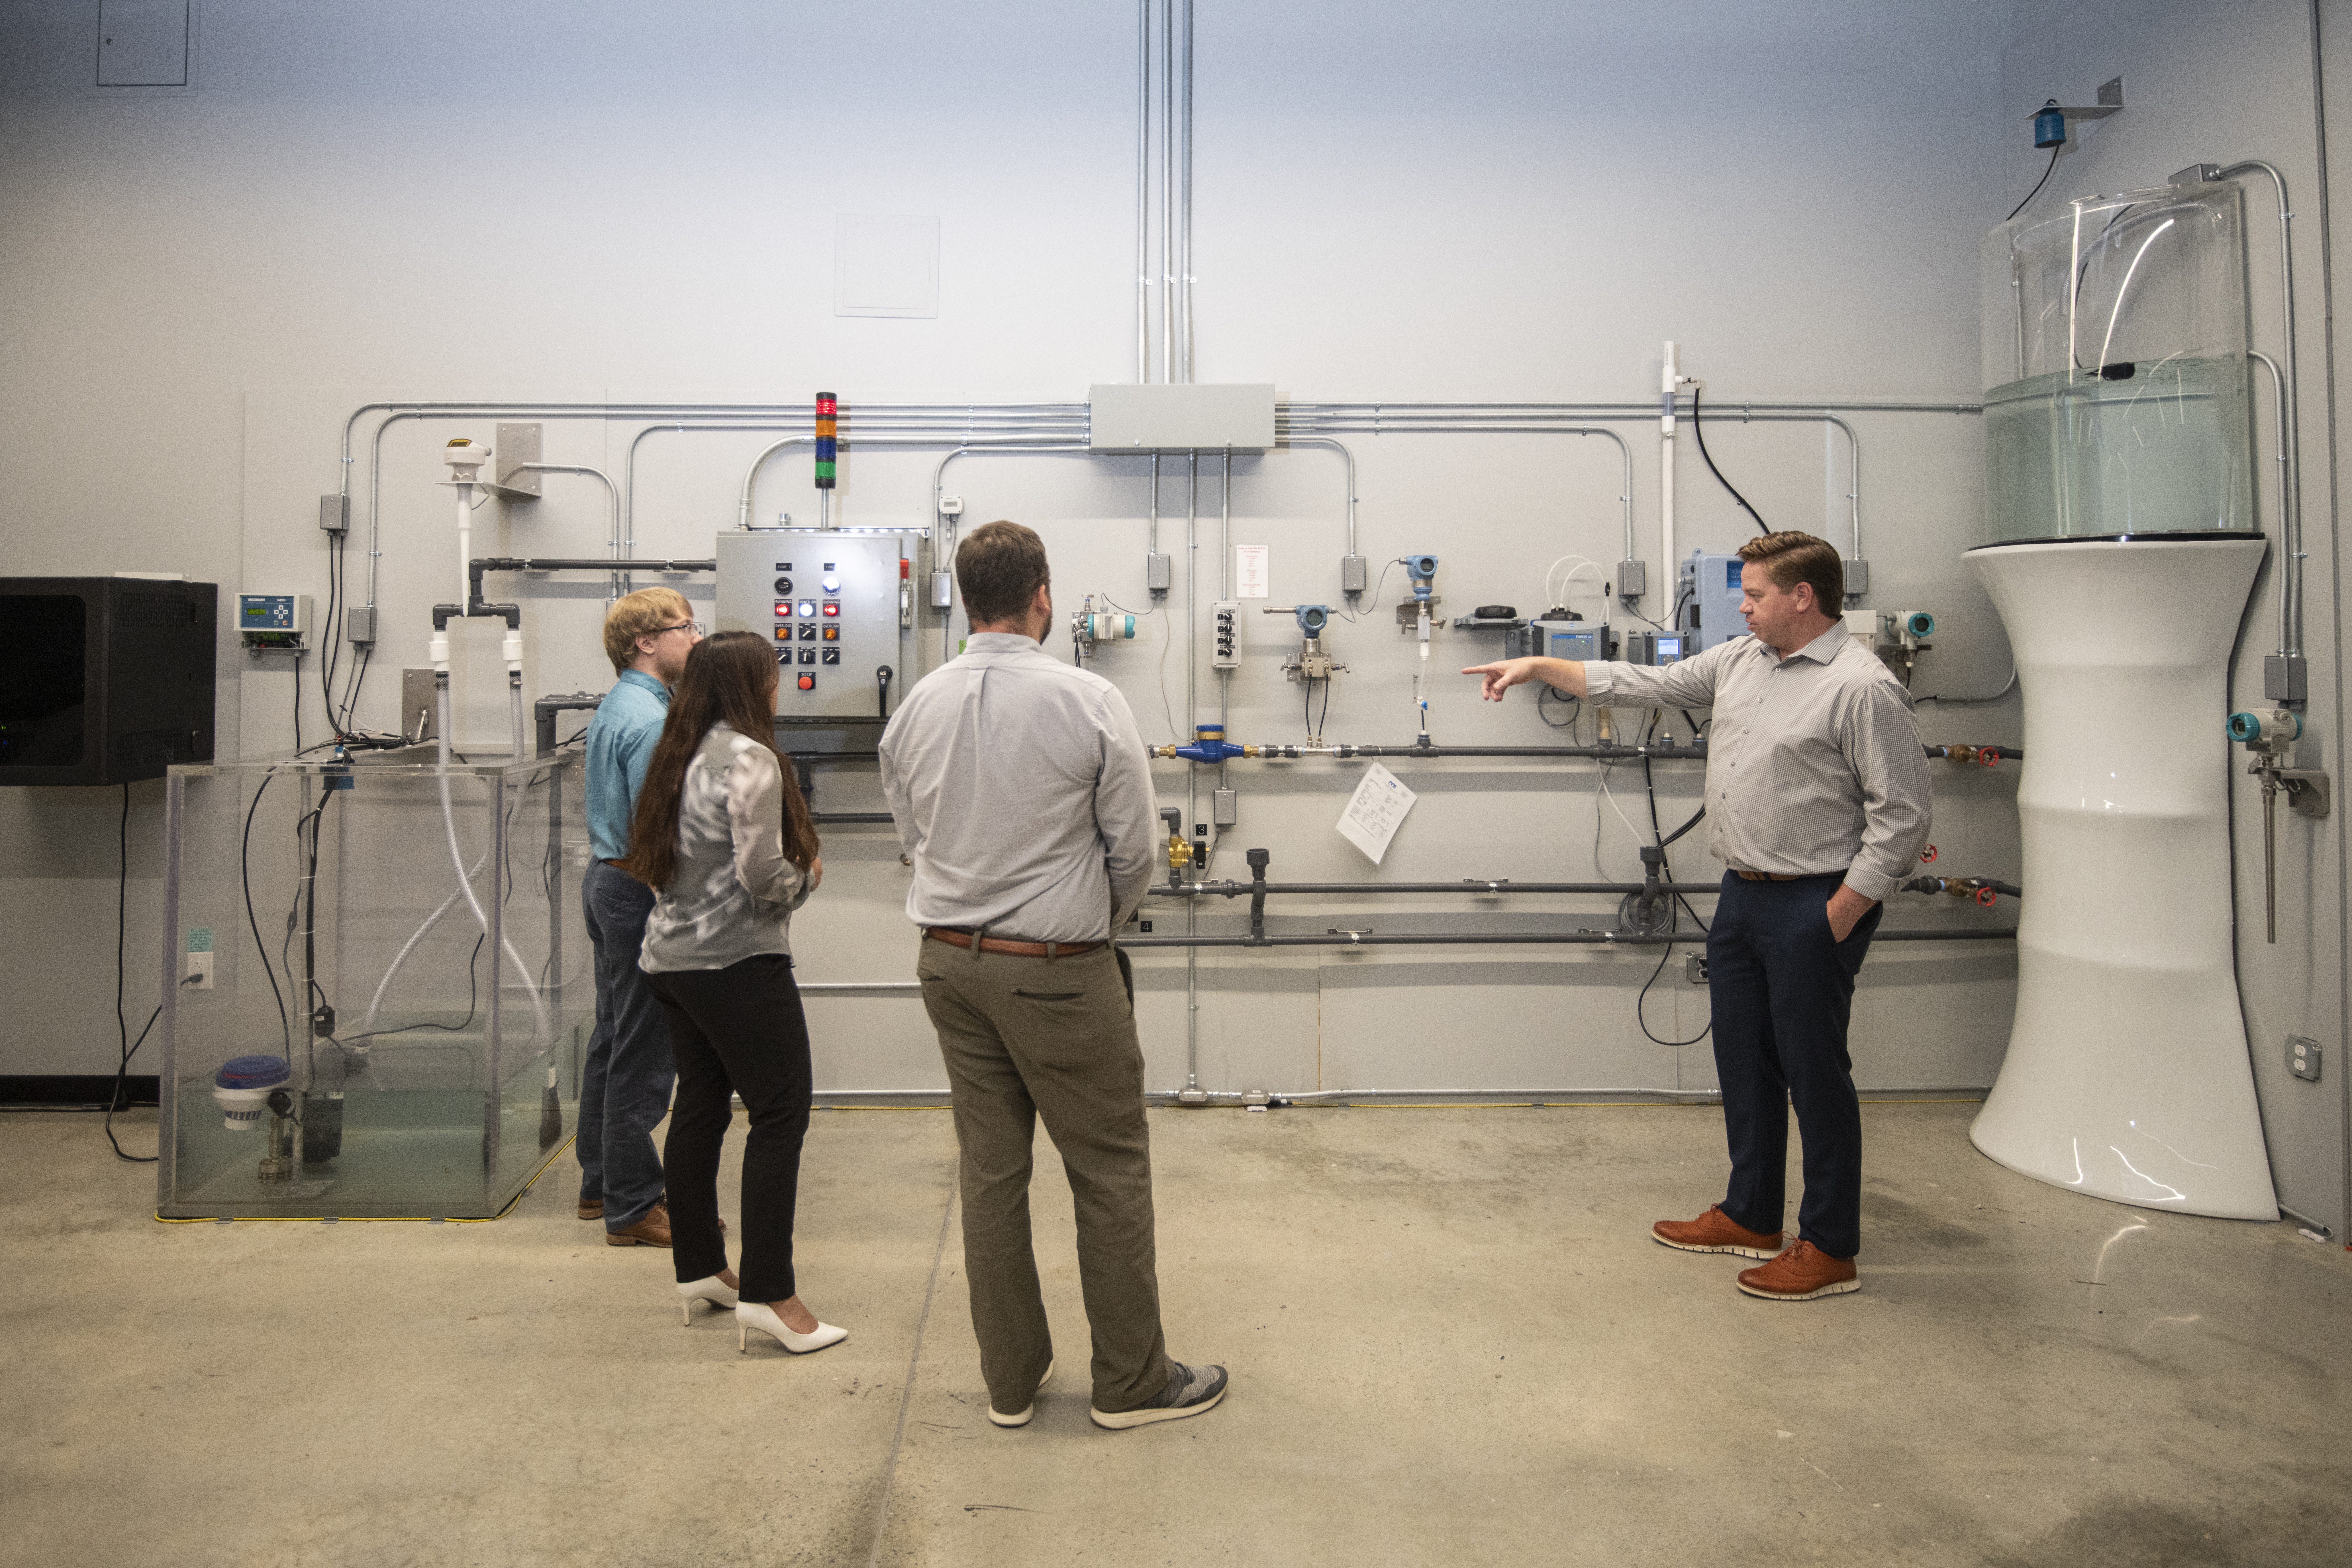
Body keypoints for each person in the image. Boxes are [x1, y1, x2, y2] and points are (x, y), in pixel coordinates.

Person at [1464, 530, 1931, 1301]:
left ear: (1802, 598)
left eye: (1753, 596)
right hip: (1742, 892)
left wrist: (1841, 914)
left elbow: (1904, 818)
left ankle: (1831, 1246)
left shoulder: (1860, 687)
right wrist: (1541, 665)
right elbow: (1643, 683)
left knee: (1816, 1074)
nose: (1741, 607)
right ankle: (1752, 1215)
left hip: (1815, 901)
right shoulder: (1742, 663)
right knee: (1744, 1063)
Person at [879, 519, 1227, 1429]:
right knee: (1108, 1169)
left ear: (964, 599)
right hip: (1058, 971)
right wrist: (1093, 928)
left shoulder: (917, 706)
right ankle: (1131, 1384)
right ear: (1043, 597)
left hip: (950, 967)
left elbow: (912, 839)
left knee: (990, 1174)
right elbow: (1137, 849)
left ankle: (1010, 1383)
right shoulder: (1089, 701)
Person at [620, 631, 844, 1353]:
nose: (779, 686)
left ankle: (701, 1270)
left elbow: (659, 862)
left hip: (670, 961)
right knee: (781, 1112)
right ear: (754, 684)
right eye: (773, 676)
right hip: (737, 964)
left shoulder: (678, 752)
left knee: (701, 1108)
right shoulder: (751, 759)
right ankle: (771, 1294)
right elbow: (761, 874)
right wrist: (807, 878)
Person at [579, 588, 701, 1248]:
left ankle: (599, 1182)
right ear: (645, 642)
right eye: (685, 627)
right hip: (635, 888)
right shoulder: (653, 721)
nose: (696, 638)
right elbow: (657, 827)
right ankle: (633, 1204)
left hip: (604, 881)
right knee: (644, 1050)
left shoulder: (621, 704)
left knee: (610, 1035)